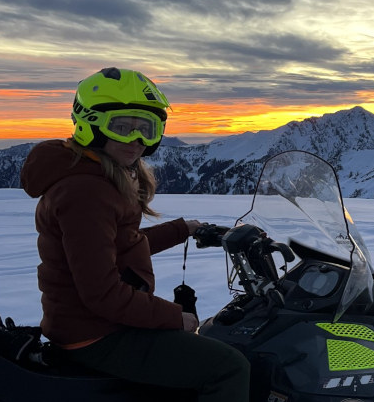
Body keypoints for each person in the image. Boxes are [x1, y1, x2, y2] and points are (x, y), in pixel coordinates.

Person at [19, 67, 250, 401]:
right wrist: (176, 316)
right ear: (91, 124)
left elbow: (121, 247)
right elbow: (101, 293)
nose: (136, 140)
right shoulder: (86, 191)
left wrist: (182, 230)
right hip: (96, 334)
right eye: (122, 127)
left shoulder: (96, 174)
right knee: (229, 366)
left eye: (147, 129)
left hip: (91, 324)